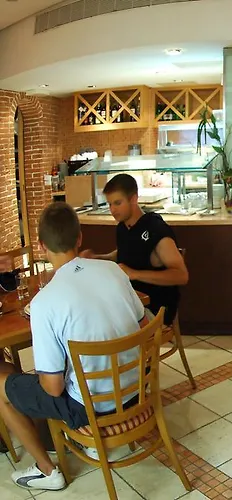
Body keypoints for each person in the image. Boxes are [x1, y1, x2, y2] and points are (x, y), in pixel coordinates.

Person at [1, 202, 149, 491]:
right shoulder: (113, 270)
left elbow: (53, 389)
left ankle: (47, 471)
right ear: (80, 237)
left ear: (41, 246)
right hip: (136, 390)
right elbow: (143, 327)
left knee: (4, 381)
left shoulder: (44, 303)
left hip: (91, 408)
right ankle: (74, 440)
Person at [80, 174, 188, 325]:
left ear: (133, 199)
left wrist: (134, 274)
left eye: (118, 203)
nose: (112, 210)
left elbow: (181, 275)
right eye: (109, 204)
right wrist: (97, 258)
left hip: (155, 310)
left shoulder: (156, 230)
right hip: (130, 303)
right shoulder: (123, 227)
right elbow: (126, 253)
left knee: (101, 324)